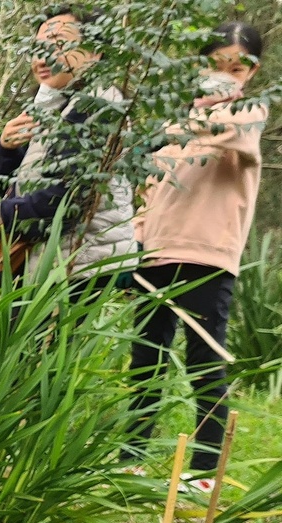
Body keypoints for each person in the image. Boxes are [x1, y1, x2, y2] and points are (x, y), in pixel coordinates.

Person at [123, 21, 267, 488]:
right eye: (215, 63)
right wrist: (139, 233)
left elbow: (239, 141)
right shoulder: (173, 126)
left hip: (209, 256)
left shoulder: (250, 111)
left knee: (206, 360)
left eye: (236, 65)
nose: (225, 73)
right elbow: (151, 188)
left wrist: (199, 113)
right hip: (156, 255)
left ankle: (206, 468)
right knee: (147, 356)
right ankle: (132, 453)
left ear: (252, 71)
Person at [0, 5, 135, 310]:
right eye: (38, 48)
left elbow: (63, 201)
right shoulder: (55, 108)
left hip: (81, 264)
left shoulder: (97, 107)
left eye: (59, 46)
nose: (42, 58)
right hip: (43, 256)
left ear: (95, 52)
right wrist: (6, 149)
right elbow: (14, 188)